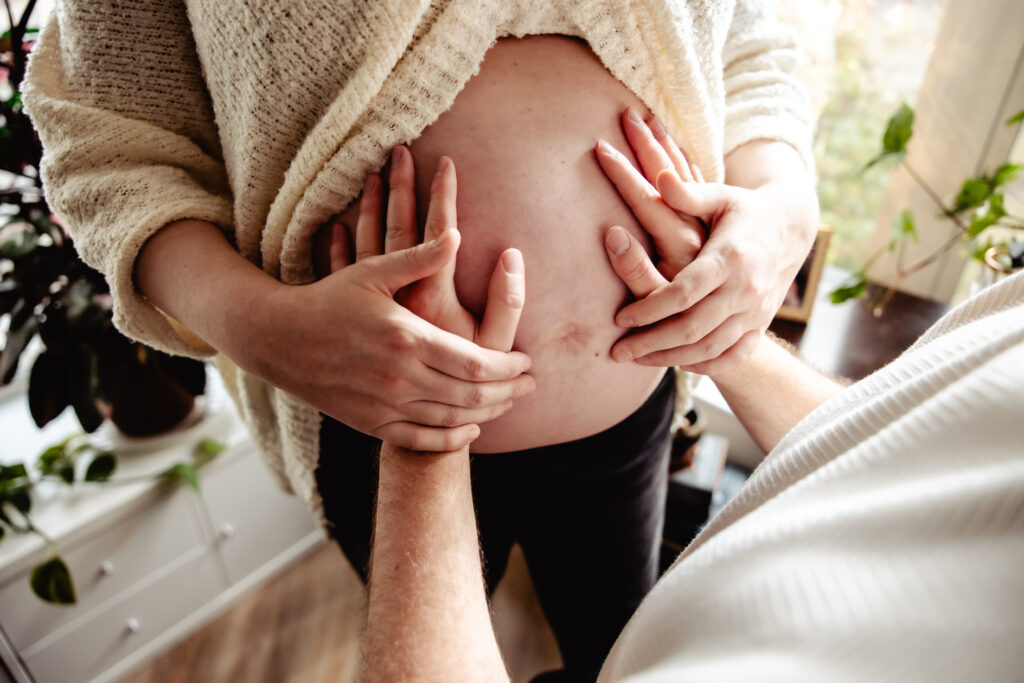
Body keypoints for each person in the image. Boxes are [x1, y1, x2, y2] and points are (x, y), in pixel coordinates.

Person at [23, 2, 819, 677]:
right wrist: (260, 326)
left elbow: (751, 36)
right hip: (371, 422)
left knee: (621, 642)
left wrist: (784, 200)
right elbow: (107, 141)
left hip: (632, 409)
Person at [358, 117, 1024, 682]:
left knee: (608, 623)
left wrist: (427, 431)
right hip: (392, 399)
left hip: (504, 421)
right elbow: (910, 452)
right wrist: (725, 336)